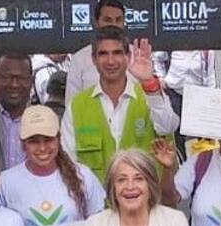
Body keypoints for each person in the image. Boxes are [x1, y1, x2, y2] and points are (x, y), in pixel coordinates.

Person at [61, 28, 179, 182]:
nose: (110, 61)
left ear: (128, 57)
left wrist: (149, 82)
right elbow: (67, 161)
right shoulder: (77, 106)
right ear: (93, 59)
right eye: (103, 54)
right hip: (96, 204)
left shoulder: (149, 94)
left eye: (117, 53)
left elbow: (168, 127)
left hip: (143, 201)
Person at [158, 49, 217, 158]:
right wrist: (161, 78)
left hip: (196, 95)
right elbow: (157, 58)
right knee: (177, 132)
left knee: (200, 134)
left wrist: (211, 96)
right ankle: (182, 161)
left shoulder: (207, 51)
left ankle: (202, 163)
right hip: (175, 93)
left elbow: (210, 74)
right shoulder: (172, 45)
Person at [65, 0, 128, 99]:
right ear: (96, 23)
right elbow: (71, 104)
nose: (113, 25)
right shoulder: (79, 59)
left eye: (118, 20)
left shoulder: (137, 57)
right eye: (108, 20)